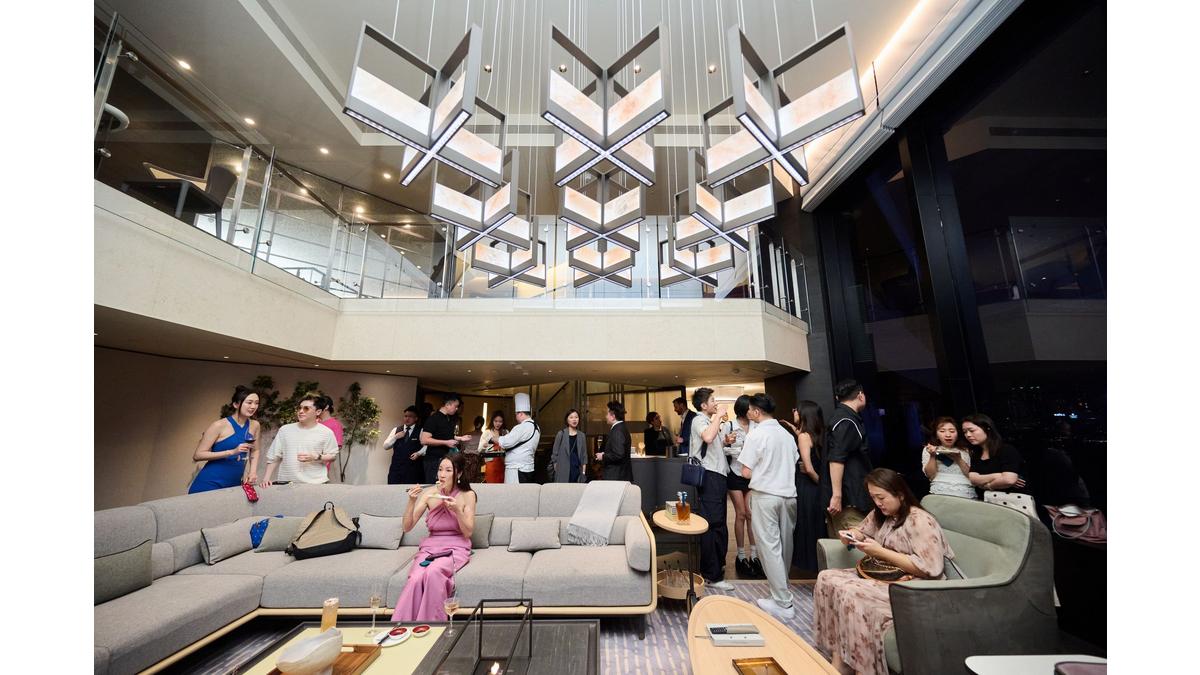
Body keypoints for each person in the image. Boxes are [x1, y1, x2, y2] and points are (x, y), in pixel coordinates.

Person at [814, 468, 955, 675]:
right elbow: (862, 530)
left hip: (916, 585)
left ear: (900, 494)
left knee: (851, 593)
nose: (878, 503)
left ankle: (861, 667)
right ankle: (841, 658)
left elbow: (930, 569)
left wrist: (880, 551)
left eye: (881, 497)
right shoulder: (881, 514)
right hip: (886, 575)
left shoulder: (920, 520)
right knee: (826, 577)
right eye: (873, 498)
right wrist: (852, 535)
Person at [391, 453, 477, 622]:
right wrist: (411, 501)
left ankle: (431, 626)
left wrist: (457, 510)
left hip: (456, 547)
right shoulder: (429, 494)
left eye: (448, 470)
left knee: (433, 572)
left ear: (459, 473)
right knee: (415, 578)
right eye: (440, 469)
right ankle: (402, 626)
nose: (442, 474)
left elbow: (468, 533)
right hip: (430, 547)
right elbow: (407, 527)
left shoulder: (468, 495)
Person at [738, 393, 799, 619]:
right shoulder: (787, 435)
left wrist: (761, 471)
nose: (748, 413)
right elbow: (793, 461)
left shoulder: (757, 435)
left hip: (766, 495)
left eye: (750, 410)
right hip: (789, 496)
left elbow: (745, 471)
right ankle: (780, 593)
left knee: (769, 548)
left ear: (757, 412)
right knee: (785, 547)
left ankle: (783, 602)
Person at [689, 387, 733, 591]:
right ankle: (711, 575)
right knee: (713, 524)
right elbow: (707, 437)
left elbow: (713, 443)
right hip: (709, 476)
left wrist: (726, 441)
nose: (716, 403)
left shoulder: (709, 421)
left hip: (718, 475)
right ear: (703, 405)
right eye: (713, 400)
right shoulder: (699, 420)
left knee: (719, 523)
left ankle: (716, 570)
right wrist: (719, 417)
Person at [821, 379, 873, 537]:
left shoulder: (841, 417)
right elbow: (837, 459)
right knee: (856, 546)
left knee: (841, 544)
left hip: (845, 499)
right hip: (849, 501)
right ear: (860, 395)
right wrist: (837, 496)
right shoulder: (846, 421)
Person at [189, 385, 261, 493]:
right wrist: (232, 452)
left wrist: (253, 472)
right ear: (236, 404)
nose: (253, 406)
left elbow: (255, 450)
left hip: (234, 483)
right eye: (249, 402)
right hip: (210, 483)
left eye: (256, 403)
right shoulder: (219, 425)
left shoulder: (255, 425)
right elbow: (198, 455)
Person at [722, 395, 762, 579]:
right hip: (735, 472)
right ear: (743, 410)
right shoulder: (729, 425)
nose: (753, 411)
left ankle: (754, 555)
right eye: (750, 408)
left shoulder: (756, 426)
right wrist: (727, 443)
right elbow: (721, 448)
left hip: (752, 474)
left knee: (751, 514)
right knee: (741, 514)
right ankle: (740, 555)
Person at [261, 393, 338, 485]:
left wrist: (316, 457)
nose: (301, 411)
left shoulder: (326, 432)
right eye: (299, 408)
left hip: (315, 483)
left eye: (306, 408)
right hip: (286, 483)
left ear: (318, 412)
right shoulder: (285, 430)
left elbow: (332, 456)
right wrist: (266, 478)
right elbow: (273, 456)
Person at [792, 400, 826, 571]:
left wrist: (820, 483)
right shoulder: (820, 434)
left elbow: (809, 468)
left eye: (796, 410)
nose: (794, 412)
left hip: (807, 486)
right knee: (817, 524)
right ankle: (819, 562)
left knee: (806, 523)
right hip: (816, 488)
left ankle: (808, 563)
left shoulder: (803, 437)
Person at [963, 413, 1027, 498]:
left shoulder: (1006, 449)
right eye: (965, 432)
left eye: (971, 430)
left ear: (987, 428)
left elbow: (1009, 480)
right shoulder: (976, 453)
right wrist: (998, 476)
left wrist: (988, 486)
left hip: (1013, 501)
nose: (968, 435)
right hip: (987, 501)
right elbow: (973, 479)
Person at [418, 394, 473, 484]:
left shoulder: (448, 419)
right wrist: (446, 442)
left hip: (445, 459)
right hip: (433, 460)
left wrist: (460, 438)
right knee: (434, 486)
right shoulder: (434, 419)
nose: (456, 409)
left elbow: (445, 435)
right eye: (455, 406)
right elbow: (424, 440)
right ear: (447, 404)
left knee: (445, 486)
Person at [922, 416, 977, 499]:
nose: (948, 435)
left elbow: (971, 476)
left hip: (965, 491)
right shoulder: (930, 449)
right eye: (942, 431)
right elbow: (931, 476)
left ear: (957, 434)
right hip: (939, 491)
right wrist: (932, 456)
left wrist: (959, 459)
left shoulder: (965, 450)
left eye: (952, 431)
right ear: (936, 435)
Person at [494, 393, 540, 483]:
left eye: (516, 414)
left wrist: (494, 438)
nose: (516, 417)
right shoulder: (536, 427)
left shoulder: (522, 427)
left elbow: (506, 442)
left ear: (521, 413)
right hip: (528, 467)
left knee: (513, 491)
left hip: (516, 469)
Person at [384, 406, 424, 485]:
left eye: (410, 416)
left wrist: (419, 453)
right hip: (396, 468)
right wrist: (395, 437)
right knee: (392, 489)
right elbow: (385, 446)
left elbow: (426, 446)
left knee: (409, 490)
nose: (407, 419)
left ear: (416, 418)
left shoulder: (420, 430)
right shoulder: (396, 430)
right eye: (405, 416)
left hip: (412, 469)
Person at [597, 400, 633, 481]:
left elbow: (618, 454)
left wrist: (602, 456)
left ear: (613, 416)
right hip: (620, 475)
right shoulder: (622, 427)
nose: (606, 416)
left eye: (607, 414)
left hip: (616, 476)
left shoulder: (617, 431)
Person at [551, 409, 588, 483]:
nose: (574, 419)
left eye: (576, 417)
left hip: (577, 471)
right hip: (563, 470)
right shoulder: (561, 434)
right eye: (571, 417)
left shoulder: (582, 435)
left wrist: (583, 473)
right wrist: (557, 470)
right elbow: (555, 454)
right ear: (567, 420)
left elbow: (584, 456)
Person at [315, 394, 343, 479]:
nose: (316, 407)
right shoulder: (314, 422)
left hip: (322, 465)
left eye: (318, 405)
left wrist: (323, 458)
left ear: (326, 407)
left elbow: (337, 446)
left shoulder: (335, 424)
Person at [479, 411, 508, 483]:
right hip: (491, 463)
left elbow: (509, 447)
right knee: (491, 484)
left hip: (503, 462)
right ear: (492, 421)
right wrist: (484, 445)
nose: (498, 423)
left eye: (500, 421)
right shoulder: (487, 432)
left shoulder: (505, 432)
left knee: (502, 484)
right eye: (496, 421)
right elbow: (479, 449)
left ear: (503, 422)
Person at [462, 416, 485, 482]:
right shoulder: (483, 436)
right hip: (476, 459)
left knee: (465, 478)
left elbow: (463, 447)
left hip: (466, 458)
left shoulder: (467, 434)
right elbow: (483, 450)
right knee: (475, 479)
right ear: (482, 425)